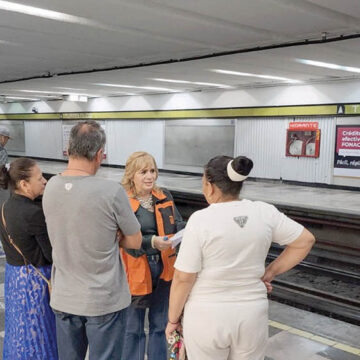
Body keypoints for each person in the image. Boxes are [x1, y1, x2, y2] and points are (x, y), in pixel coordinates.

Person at [166, 155, 315, 360]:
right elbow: (305, 241)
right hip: (252, 314)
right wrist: (269, 272)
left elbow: (184, 278)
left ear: (210, 186)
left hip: (207, 316)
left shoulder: (200, 220)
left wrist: (173, 319)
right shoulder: (264, 212)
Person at [42, 121, 142, 360]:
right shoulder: (111, 191)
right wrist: (112, 236)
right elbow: (136, 241)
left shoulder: (51, 186)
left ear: (69, 149)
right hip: (103, 301)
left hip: (64, 298)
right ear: (99, 154)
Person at [121, 151, 185, 360]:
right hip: (136, 269)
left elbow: (178, 223)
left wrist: (190, 230)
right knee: (133, 328)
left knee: (160, 325)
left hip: (165, 267)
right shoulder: (123, 200)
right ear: (132, 174)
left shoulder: (164, 195)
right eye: (143, 172)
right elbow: (123, 239)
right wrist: (153, 242)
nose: (150, 176)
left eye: (152, 171)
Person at [0, 157, 57, 359]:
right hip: (35, 282)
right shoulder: (34, 213)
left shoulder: (6, 207)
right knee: (40, 332)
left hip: (15, 278)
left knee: (19, 331)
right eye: (40, 178)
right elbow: (50, 254)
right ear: (24, 184)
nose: (44, 181)